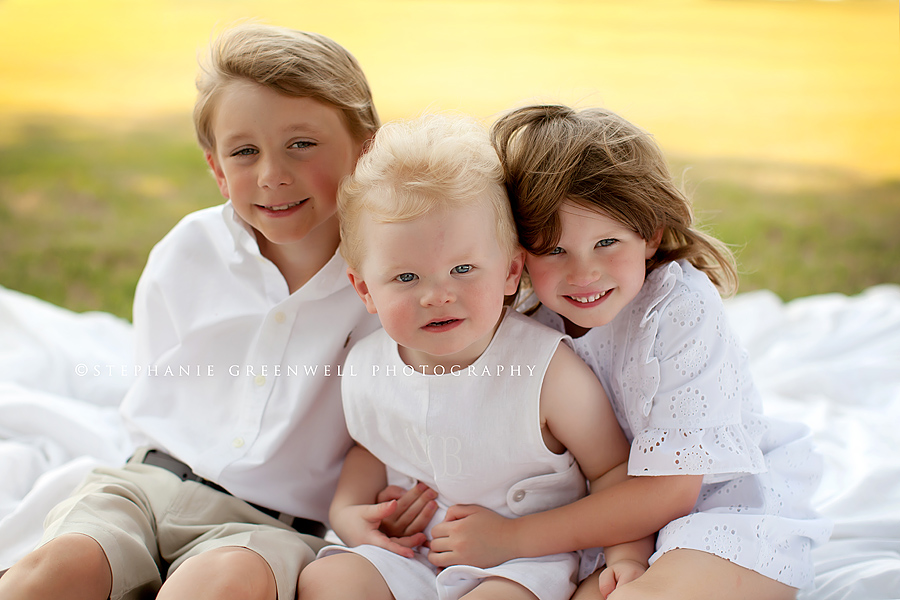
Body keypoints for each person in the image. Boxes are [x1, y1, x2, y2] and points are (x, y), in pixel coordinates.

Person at [0, 23, 395, 600]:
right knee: (54, 571)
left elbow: (395, 419)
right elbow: (158, 375)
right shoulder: (190, 251)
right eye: (244, 152)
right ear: (216, 168)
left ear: (367, 148)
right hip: (146, 483)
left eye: (301, 144)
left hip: (266, 527)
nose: (272, 174)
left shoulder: (391, 282)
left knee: (218, 586)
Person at [423, 104, 833, 600]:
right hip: (607, 524)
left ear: (650, 235)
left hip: (716, 513)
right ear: (518, 253)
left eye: (607, 242)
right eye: (554, 249)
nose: (583, 273)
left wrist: (510, 539)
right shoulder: (528, 315)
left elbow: (670, 492)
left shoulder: (677, 309)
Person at [296, 113, 655, 600]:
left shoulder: (544, 370)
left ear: (510, 272)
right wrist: (348, 514)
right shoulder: (366, 365)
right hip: (413, 551)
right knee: (327, 580)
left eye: (463, 269)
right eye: (406, 278)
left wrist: (626, 557)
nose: (437, 295)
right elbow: (371, 444)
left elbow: (612, 470)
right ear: (365, 289)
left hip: (519, 562)